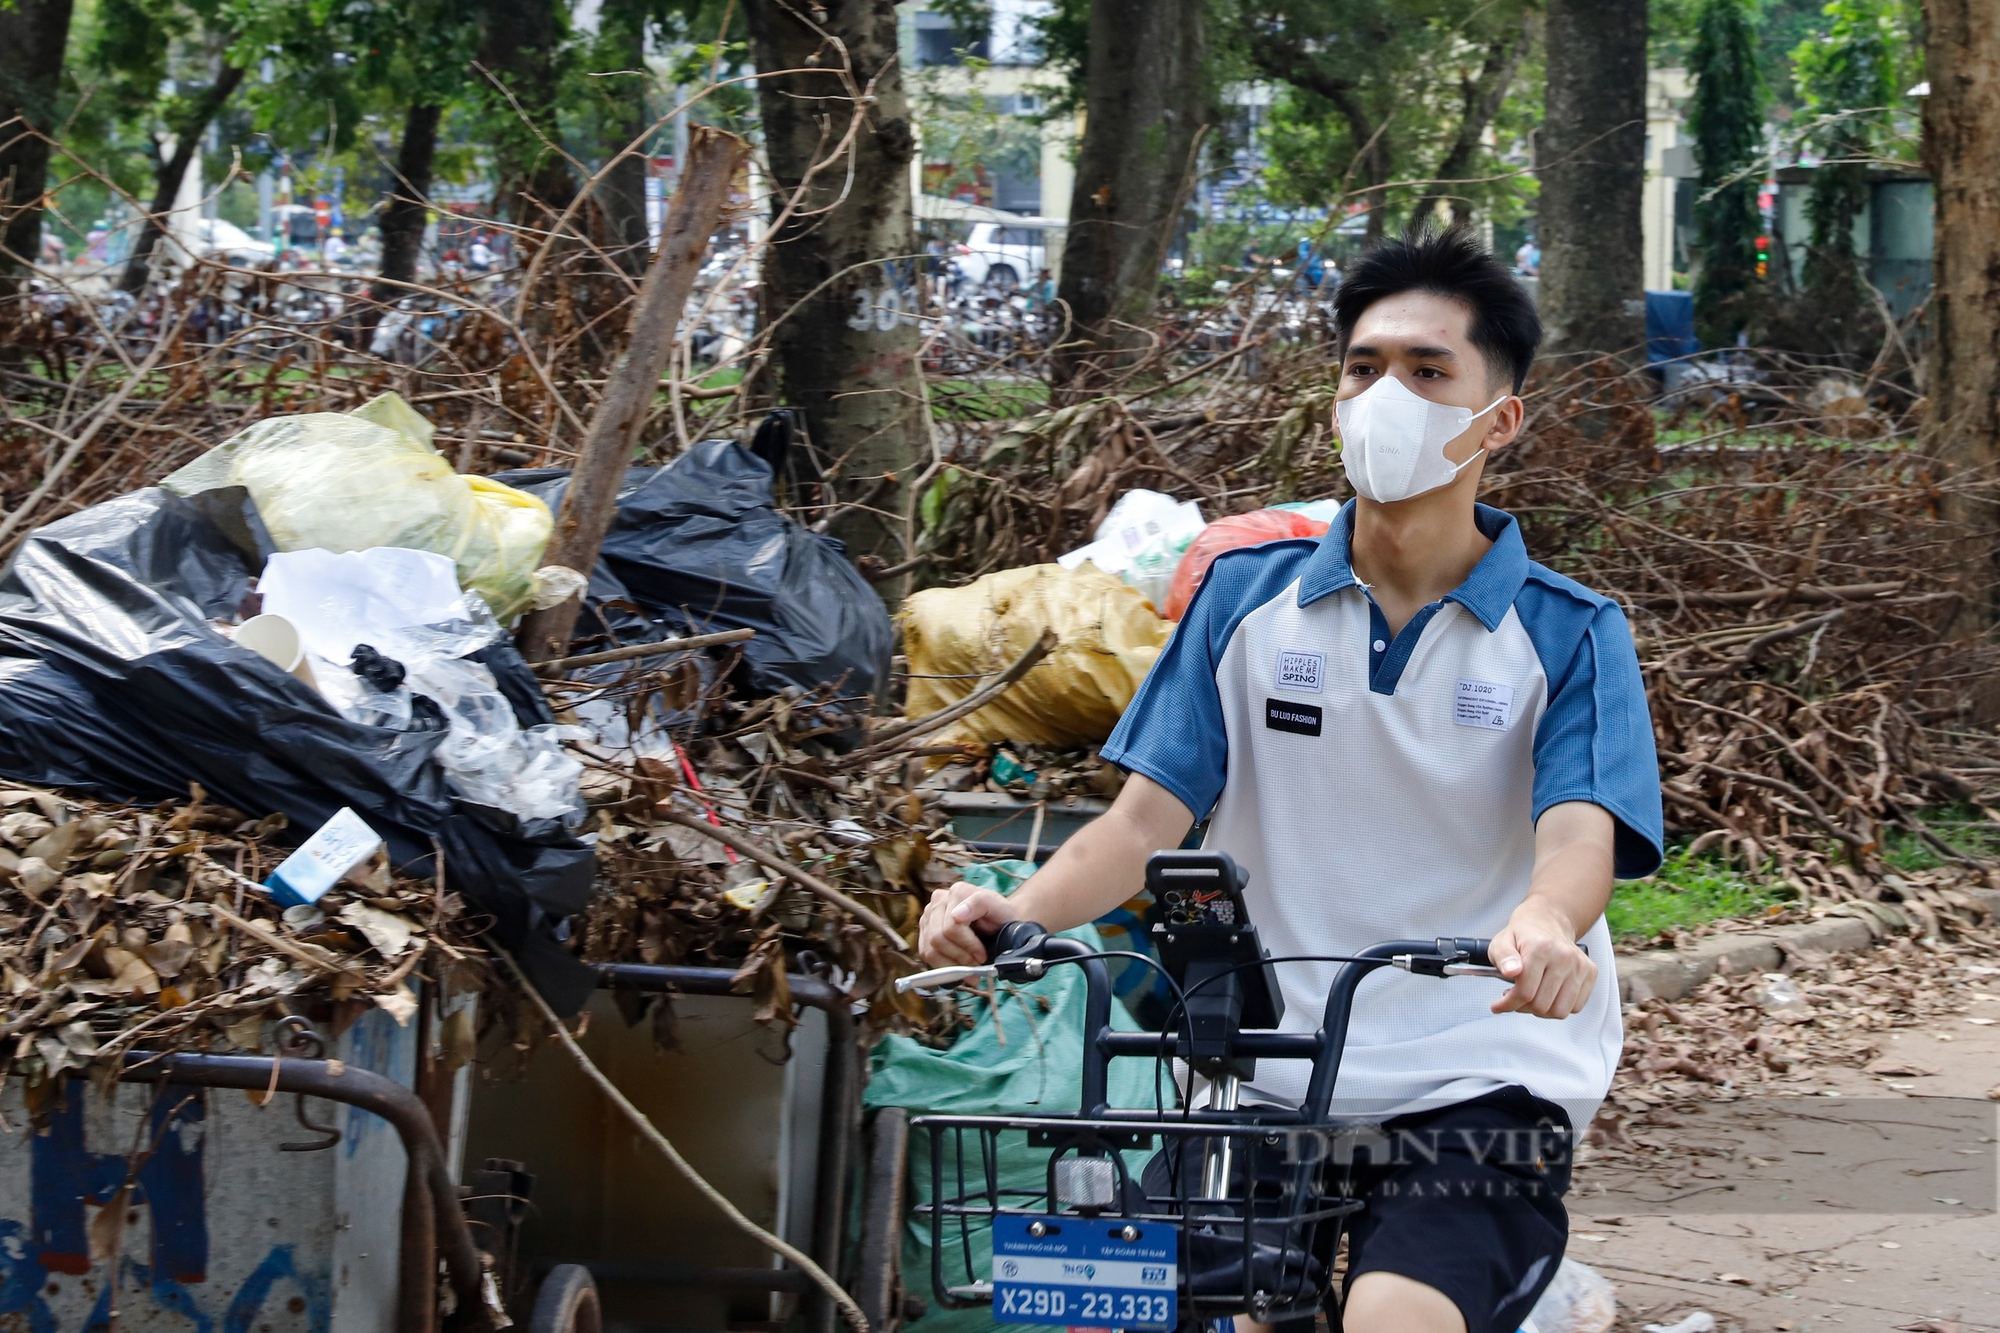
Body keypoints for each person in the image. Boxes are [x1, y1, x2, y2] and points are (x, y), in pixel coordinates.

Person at [919, 226, 1662, 1333]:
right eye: (1361, 368)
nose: (1382, 395)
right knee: (1122, 1307)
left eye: (1425, 371)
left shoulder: (1566, 631)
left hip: (1479, 1070)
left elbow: (1576, 833)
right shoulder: (1241, 601)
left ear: (1496, 420)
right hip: (1262, 1069)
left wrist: (1547, 926)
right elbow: (1135, 826)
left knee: (1393, 1320)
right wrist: (1011, 913)